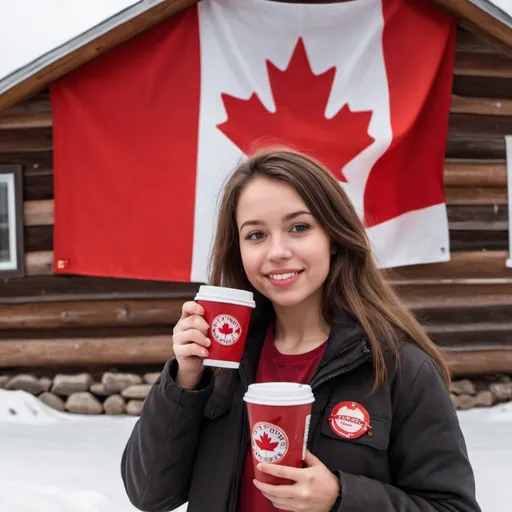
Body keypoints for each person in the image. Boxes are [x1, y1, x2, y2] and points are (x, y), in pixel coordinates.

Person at [121, 148, 481, 512]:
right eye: (256, 234)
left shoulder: (400, 368)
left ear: (335, 237)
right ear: (238, 250)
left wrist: (341, 498)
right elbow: (149, 493)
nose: (277, 251)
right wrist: (185, 381)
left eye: (299, 227)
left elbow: (452, 507)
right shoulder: (222, 362)